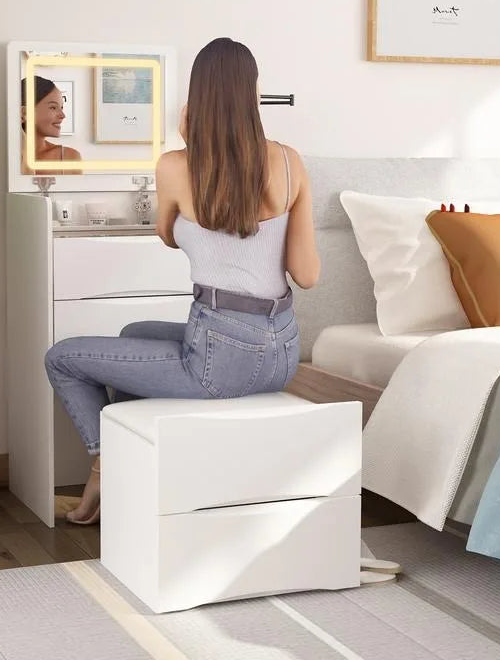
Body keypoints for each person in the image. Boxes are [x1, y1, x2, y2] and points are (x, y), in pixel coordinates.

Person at [44, 37, 320, 525]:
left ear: (198, 98)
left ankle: (107, 463)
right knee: (135, 336)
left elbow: (169, 237)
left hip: (219, 359)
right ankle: (139, 467)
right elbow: (308, 275)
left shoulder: (176, 165)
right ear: (252, 93)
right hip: (281, 353)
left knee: (62, 357)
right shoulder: (288, 161)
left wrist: (190, 144)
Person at [20, 76, 82, 175]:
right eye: (53, 107)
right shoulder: (3, 155)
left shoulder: (69, 158)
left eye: (61, 108)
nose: (62, 115)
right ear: (24, 112)